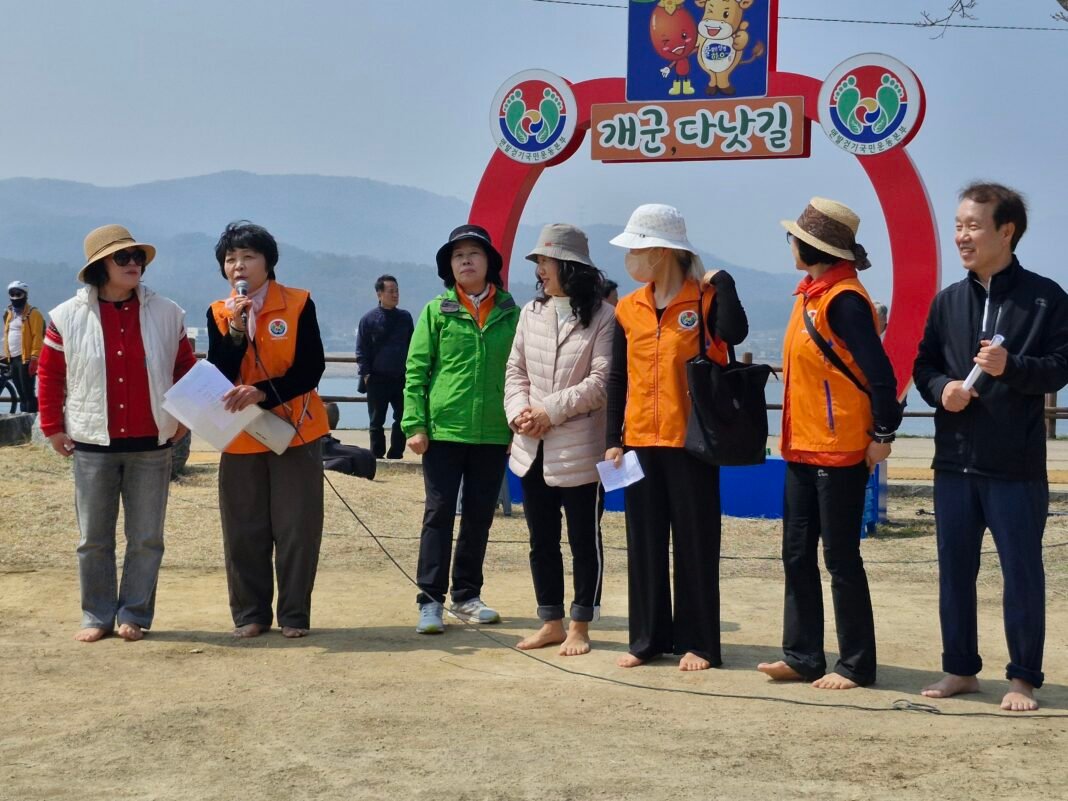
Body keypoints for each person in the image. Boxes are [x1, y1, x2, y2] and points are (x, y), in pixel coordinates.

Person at [914, 182, 1068, 711]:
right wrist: (942, 390)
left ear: (1006, 231)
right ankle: (960, 669)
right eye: (958, 225)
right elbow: (924, 365)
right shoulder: (947, 301)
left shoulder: (1045, 297)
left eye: (973, 226)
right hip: (953, 461)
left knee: (1021, 572)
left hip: (1015, 466)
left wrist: (1013, 366)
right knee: (955, 571)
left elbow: (1061, 367)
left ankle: (1023, 678)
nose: (962, 235)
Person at [756, 198, 901, 690]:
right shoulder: (810, 296)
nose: (790, 245)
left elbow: (880, 374)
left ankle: (856, 664)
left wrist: (883, 435)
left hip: (839, 449)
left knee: (840, 559)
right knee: (796, 554)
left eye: (794, 238)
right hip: (801, 446)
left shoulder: (844, 300)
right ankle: (802, 655)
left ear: (813, 246)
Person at [605, 204, 748, 671]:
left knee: (695, 541)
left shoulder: (703, 300)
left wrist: (724, 283)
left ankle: (700, 643)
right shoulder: (628, 308)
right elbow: (618, 379)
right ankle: (648, 638)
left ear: (661, 252)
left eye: (636, 249)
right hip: (640, 440)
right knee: (644, 542)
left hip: (692, 442)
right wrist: (613, 438)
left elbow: (735, 332)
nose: (630, 258)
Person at [36, 224, 196, 642]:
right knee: (93, 538)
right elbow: (50, 376)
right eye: (122, 257)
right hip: (92, 443)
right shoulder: (65, 317)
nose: (133, 264)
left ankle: (135, 615)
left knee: (146, 538)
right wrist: (52, 427)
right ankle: (96, 615)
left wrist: (185, 417)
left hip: (152, 442)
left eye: (137, 257)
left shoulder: (168, 313)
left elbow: (185, 369)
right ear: (99, 267)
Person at [206, 221, 329, 639]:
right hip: (240, 433)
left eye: (248, 256)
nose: (238, 266)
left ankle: (294, 614)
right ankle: (250, 614)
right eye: (230, 259)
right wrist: (236, 330)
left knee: (297, 526)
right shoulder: (219, 312)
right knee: (243, 527)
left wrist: (262, 393)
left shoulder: (298, 303)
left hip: (295, 430)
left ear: (268, 262)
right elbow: (220, 373)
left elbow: (311, 368)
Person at [403, 224, 519, 634]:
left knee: (478, 517)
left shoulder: (513, 313)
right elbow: (416, 371)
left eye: (474, 253)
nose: (466, 260)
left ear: (489, 262)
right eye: (457, 255)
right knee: (438, 515)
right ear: (449, 267)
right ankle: (430, 601)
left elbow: (521, 373)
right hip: (443, 432)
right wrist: (415, 424)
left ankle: (467, 596)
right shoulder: (435, 311)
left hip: (494, 433)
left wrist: (517, 427)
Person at [505, 224, 615, 656]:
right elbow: (515, 371)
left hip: (581, 448)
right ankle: (550, 621)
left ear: (570, 266)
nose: (540, 270)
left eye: (546, 261)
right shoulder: (530, 312)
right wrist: (520, 413)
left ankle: (580, 624)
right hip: (531, 447)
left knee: (584, 540)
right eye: (538, 263)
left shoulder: (604, 317)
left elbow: (601, 382)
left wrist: (549, 411)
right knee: (541, 539)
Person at [356, 274, 414, 459]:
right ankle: (376, 455)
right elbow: (361, 350)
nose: (395, 295)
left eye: (397, 291)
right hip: (377, 378)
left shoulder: (405, 318)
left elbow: (413, 346)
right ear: (379, 294)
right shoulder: (368, 319)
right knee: (376, 420)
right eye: (391, 291)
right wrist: (366, 374)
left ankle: (396, 453)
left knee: (402, 417)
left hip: (401, 377)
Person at [3, 281, 45, 413]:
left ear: (25, 295)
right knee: (20, 392)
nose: (15, 297)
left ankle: (32, 418)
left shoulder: (34, 313)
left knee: (28, 391)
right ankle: (23, 417)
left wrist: (34, 358)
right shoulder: (9, 313)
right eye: (12, 294)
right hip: (13, 358)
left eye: (18, 294)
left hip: (26, 358)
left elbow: (37, 336)